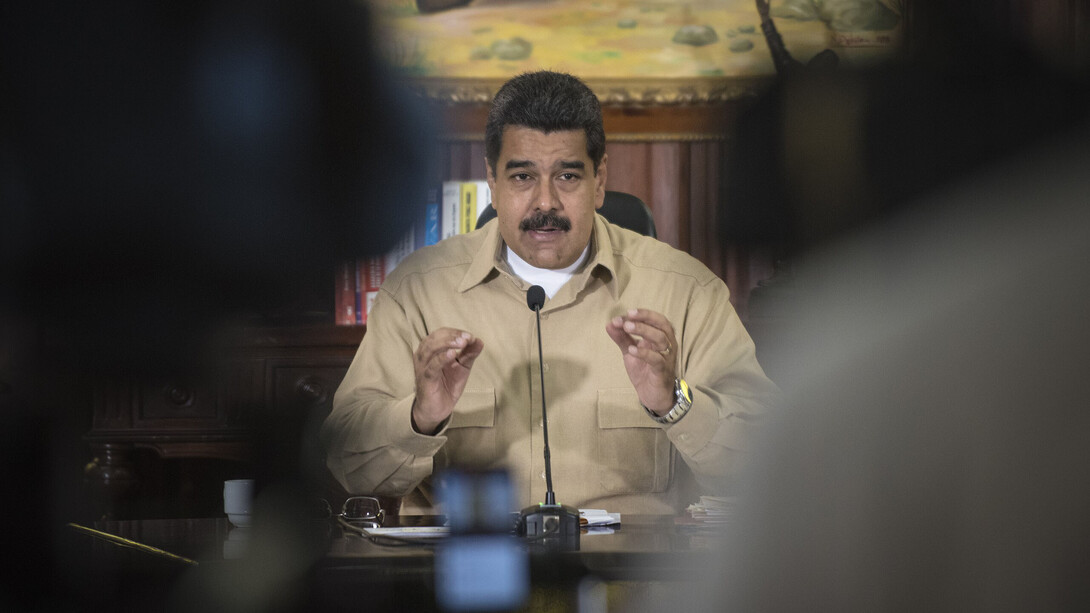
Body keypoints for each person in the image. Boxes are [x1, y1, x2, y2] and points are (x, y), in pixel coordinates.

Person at [321, 71, 777, 514]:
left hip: (631, 576)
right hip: (463, 575)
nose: (545, 202)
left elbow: (769, 464)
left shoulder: (687, 291)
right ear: (493, 184)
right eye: (522, 177)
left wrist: (674, 402)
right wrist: (419, 418)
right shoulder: (417, 291)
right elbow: (349, 464)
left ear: (599, 181)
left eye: (567, 176)